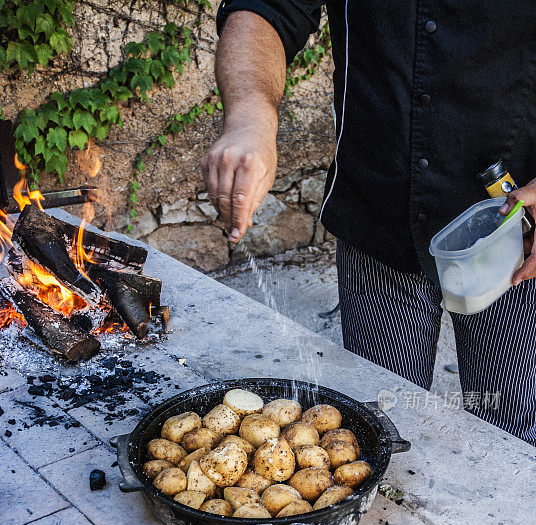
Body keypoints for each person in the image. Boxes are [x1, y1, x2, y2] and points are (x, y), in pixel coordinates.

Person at [201, 1, 536, 446]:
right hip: (377, 218)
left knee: (512, 432)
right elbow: (267, 7)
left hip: (513, 239)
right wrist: (250, 115)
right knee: (373, 427)